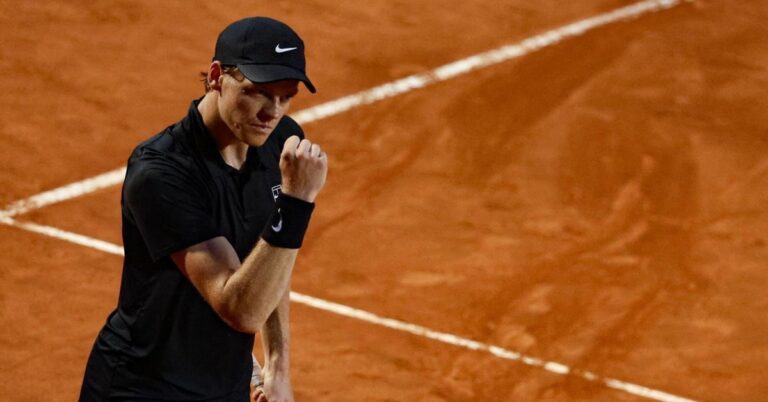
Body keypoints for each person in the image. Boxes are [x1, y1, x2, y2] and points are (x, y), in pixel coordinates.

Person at [79, 16, 327, 402]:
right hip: (144, 386)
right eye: (258, 91)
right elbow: (238, 308)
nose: (272, 111)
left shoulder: (281, 142)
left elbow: (271, 257)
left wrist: (278, 363)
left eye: (286, 95)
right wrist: (295, 204)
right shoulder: (161, 172)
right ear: (216, 76)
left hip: (225, 386)